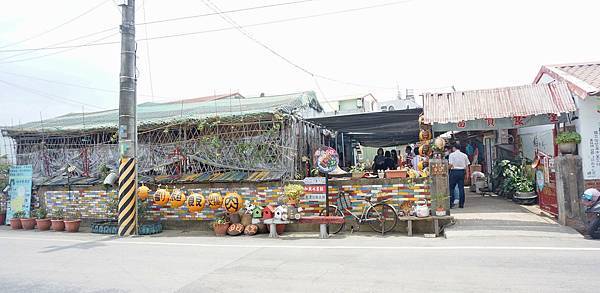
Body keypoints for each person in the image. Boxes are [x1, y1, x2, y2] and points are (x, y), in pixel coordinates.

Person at [448, 143, 470, 208]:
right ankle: (461, 204)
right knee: (461, 188)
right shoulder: (464, 155)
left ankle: (451, 203)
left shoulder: (451, 155)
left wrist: (446, 169)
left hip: (454, 172)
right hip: (462, 172)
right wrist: (467, 175)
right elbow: (467, 166)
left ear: (454, 148)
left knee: (451, 188)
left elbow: (451, 164)